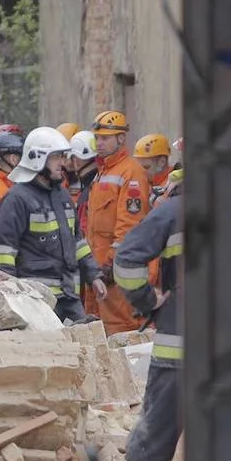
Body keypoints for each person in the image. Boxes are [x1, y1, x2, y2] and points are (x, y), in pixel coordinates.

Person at [114, 174, 184, 461]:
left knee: (158, 427)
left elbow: (126, 262)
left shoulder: (174, 211)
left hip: (180, 345)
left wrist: (147, 302)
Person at [0, 127, 105, 322]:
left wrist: (93, 274)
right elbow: (3, 253)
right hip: (34, 301)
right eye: (57, 157)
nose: (63, 162)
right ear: (37, 159)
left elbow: (78, 242)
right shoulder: (16, 199)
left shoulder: (62, 196)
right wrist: (9, 298)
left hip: (68, 297)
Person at [83, 111, 154, 334]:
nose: (100, 143)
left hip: (114, 272)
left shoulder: (131, 173)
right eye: (98, 138)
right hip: (98, 272)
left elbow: (129, 224)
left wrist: (112, 264)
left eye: (105, 138)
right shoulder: (102, 172)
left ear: (121, 139)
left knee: (120, 332)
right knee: (98, 332)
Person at [135, 133, 173, 202]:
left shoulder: (172, 187)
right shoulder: (150, 184)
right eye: (139, 168)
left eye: (146, 167)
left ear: (162, 161)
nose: (142, 172)